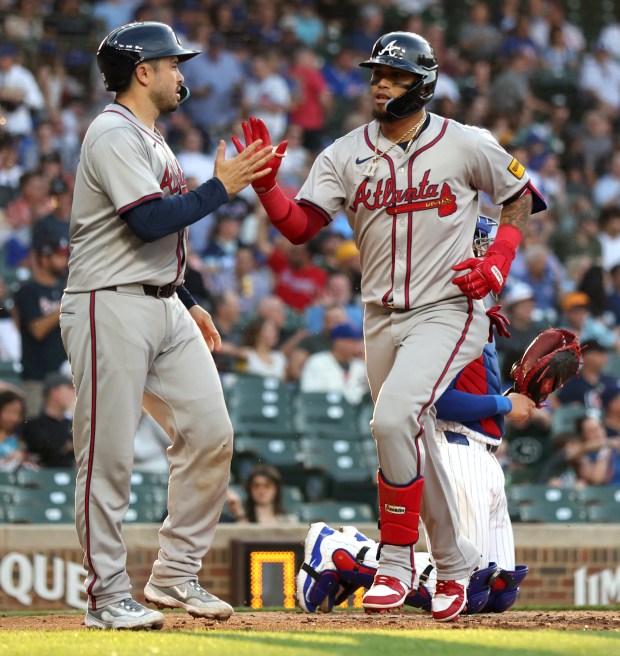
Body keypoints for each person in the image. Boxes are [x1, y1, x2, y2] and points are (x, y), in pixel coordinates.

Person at [233, 30, 545, 621]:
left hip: (447, 307)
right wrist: (269, 188)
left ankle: (398, 560)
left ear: (422, 83)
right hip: (378, 315)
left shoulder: (465, 142)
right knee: (411, 431)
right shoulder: (345, 152)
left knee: (393, 417)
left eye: (394, 75)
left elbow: (520, 193)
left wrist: (498, 262)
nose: (380, 83)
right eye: (376, 73)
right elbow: (302, 228)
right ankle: (453, 563)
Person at [59, 21, 274, 631]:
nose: (183, 73)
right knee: (108, 455)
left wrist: (187, 296)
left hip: (162, 303)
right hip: (108, 303)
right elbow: (149, 223)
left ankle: (175, 575)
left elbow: (161, 238)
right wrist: (223, 187)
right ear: (142, 71)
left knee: (210, 432)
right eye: (172, 63)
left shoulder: (152, 138)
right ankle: (106, 596)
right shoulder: (110, 133)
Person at [296, 217, 535, 617]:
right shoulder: (437, 306)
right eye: (480, 243)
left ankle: (348, 552)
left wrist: (514, 398)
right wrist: (507, 405)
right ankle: (343, 551)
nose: (487, 252)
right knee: (467, 582)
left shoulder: (475, 306)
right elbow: (439, 401)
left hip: (485, 453)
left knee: (497, 595)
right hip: (452, 445)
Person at [13, 226, 70, 418]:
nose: (65, 261)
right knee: (38, 432)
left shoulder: (65, 288)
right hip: (37, 378)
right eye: (59, 256)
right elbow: (37, 330)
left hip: (64, 378)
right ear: (44, 259)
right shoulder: (28, 291)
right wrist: (65, 303)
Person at [21, 372, 75, 468]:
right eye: (69, 388)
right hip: (43, 478)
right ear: (55, 392)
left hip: (72, 478)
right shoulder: (35, 425)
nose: (74, 393)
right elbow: (52, 451)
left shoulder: (71, 423)